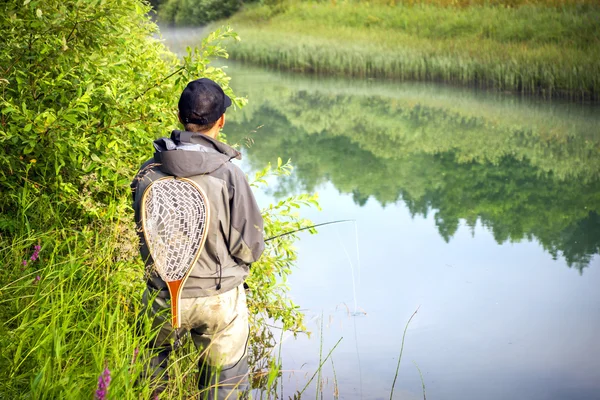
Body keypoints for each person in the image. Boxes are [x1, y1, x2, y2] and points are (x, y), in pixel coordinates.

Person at [131, 78, 265, 399]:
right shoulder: (230, 173)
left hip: (162, 294)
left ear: (180, 118)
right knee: (223, 388)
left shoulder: (147, 170)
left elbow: (141, 230)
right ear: (221, 120)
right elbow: (249, 247)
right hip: (218, 297)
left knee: (151, 387)